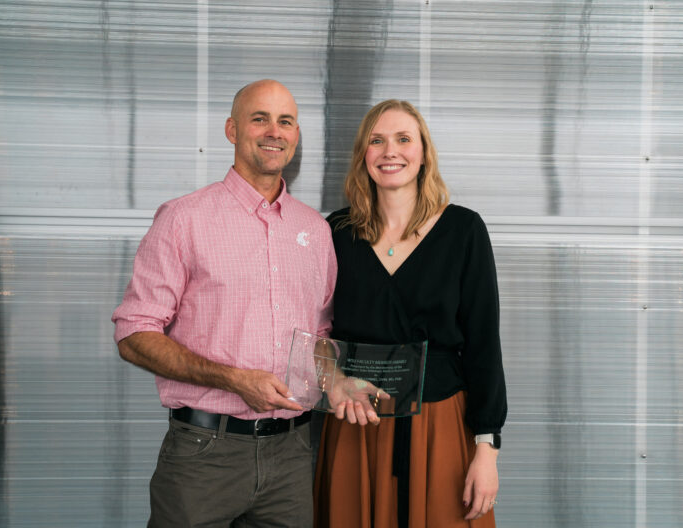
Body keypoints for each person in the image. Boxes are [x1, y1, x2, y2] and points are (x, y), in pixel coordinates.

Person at [112, 79, 337, 528]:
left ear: (295, 136)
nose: (274, 131)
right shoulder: (183, 219)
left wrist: (340, 379)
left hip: (292, 454)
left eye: (285, 121)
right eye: (260, 119)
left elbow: (321, 337)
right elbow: (134, 334)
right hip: (204, 454)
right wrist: (234, 380)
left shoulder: (315, 230)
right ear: (232, 130)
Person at [313, 100, 507, 528]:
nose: (390, 151)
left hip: (438, 425)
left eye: (403, 139)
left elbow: (484, 345)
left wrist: (486, 449)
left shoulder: (463, 230)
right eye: (376, 141)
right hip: (355, 426)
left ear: (423, 153)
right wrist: (334, 381)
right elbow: (317, 332)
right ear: (364, 154)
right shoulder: (337, 233)